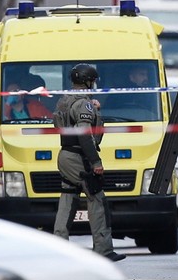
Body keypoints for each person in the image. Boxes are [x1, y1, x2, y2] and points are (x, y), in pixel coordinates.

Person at [52, 63, 125, 262]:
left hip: (65, 154)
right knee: (97, 198)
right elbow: (86, 135)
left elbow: (58, 124)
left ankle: (58, 247)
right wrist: (95, 161)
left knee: (67, 198)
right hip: (79, 156)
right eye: (92, 81)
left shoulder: (64, 101)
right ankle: (103, 249)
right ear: (88, 81)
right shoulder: (83, 104)